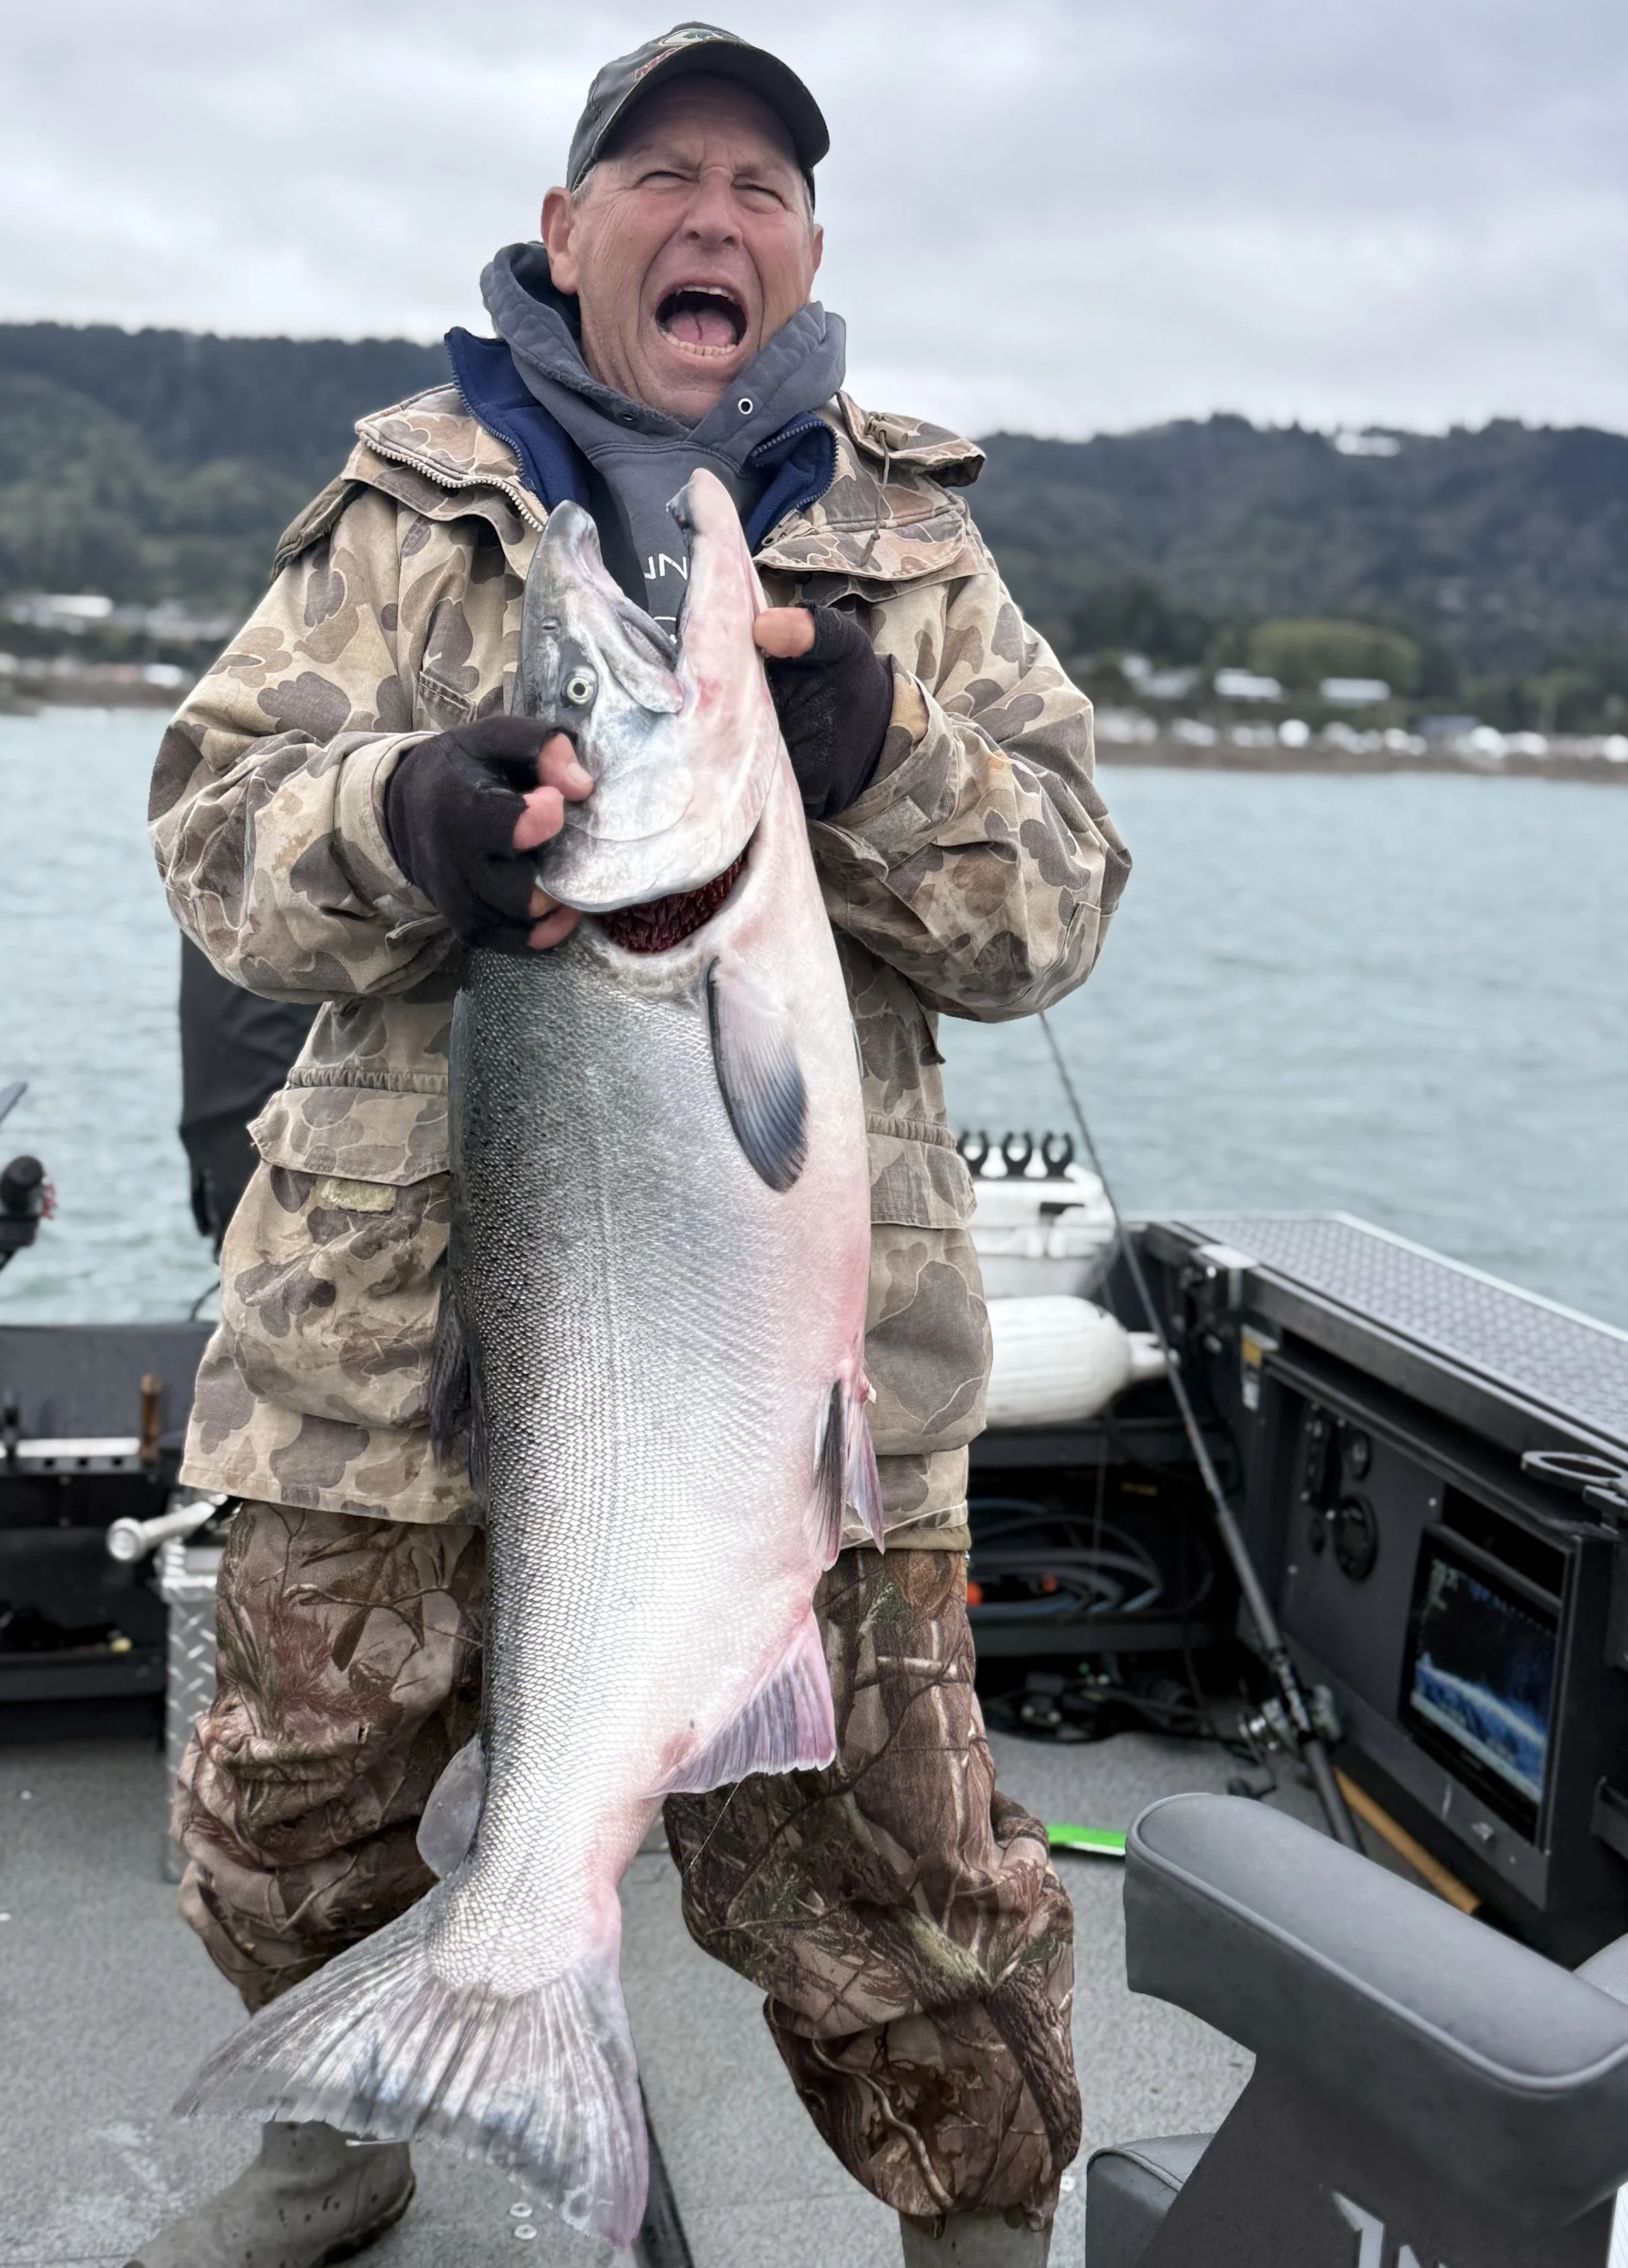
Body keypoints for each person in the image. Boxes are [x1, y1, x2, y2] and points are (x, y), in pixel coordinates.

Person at [141, 23, 1130, 2268]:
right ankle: (342, 2122)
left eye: (764, 185)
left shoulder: (910, 541)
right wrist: (400, 814)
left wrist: (875, 750)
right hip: (370, 1333)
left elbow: (1055, 904)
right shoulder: (396, 511)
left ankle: (971, 2229)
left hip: (802, 1368)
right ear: (567, 226)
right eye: (659, 173)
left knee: (895, 1876)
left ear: (801, 248)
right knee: (288, 1803)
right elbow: (215, 845)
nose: (716, 215)